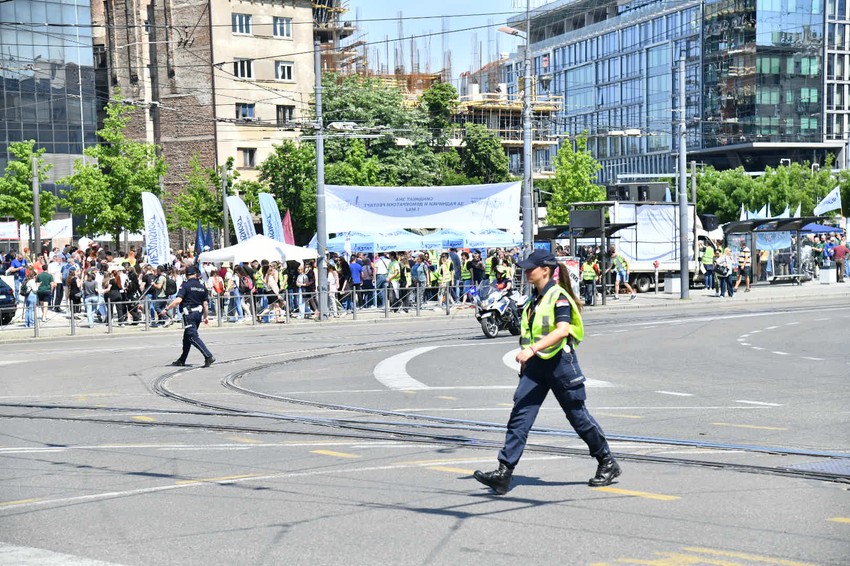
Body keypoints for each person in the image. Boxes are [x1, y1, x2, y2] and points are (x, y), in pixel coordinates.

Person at [474, 250, 620, 495]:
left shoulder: (558, 296)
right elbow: (528, 333)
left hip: (560, 364)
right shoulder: (533, 300)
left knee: (578, 417)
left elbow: (562, 330)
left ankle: (607, 461)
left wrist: (531, 350)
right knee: (520, 416)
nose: (527, 271)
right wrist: (525, 362)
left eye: (532, 267)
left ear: (546, 270)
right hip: (535, 367)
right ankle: (504, 472)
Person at [166, 265, 215, 368]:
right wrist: (205, 317)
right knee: (187, 338)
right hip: (198, 315)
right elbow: (205, 304)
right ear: (196, 274)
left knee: (192, 336)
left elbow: (178, 300)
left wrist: (166, 309)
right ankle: (182, 359)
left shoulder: (185, 285)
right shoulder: (202, 287)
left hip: (189, 315)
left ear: (186, 274)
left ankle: (208, 356)